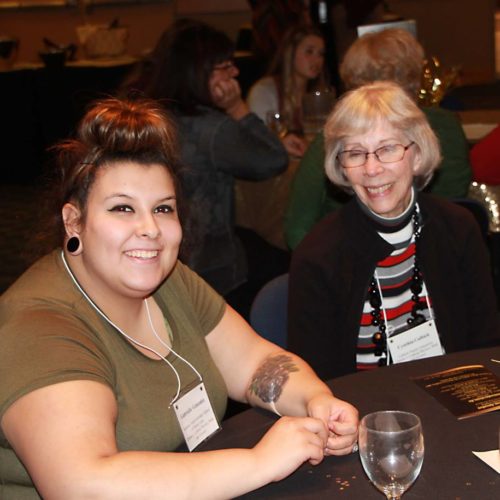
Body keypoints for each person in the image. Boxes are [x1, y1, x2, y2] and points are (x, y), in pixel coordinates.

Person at [0, 97, 358, 498]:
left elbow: (254, 363)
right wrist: (258, 462)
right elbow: (82, 485)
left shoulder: (168, 280)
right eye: (122, 208)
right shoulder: (41, 328)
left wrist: (315, 400)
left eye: (163, 209)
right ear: (74, 221)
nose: (149, 229)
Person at [288, 82, 500, 381]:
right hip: (363, 413)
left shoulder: (458, 229)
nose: (372, 168)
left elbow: (485, 345)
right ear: (342, 166)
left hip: (455, 398)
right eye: (355, 153)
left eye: (387, 149)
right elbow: (317, 382)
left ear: (416, 154)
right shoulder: (318, 256)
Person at [126, 20, 291, 318]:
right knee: (290, 259)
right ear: (199, 72)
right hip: (212, 269)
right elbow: (273, 160)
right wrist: (238, 107)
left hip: (150, 256)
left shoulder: (142, 115)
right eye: (226, 66)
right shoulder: (213, 130)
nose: (235, 72)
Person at [285, 27, 472, 250]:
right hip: (446, 250)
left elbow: (296, 231)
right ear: (414, 75)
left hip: (356, 259)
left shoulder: (339, 138)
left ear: (356, 83)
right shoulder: (449, 124)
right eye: (357, 154)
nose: (372, 168)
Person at [247, 25, 328, 158]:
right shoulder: (264, 91)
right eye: (309, 52)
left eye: (321, 54)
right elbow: (258, 139)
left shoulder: (319, 94)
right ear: (290, 53)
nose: (317, 60)